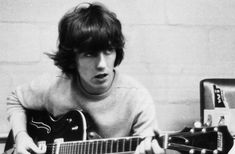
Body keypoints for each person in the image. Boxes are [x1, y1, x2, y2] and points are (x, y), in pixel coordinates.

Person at [6, 2, 165, 154]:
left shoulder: (137, 98)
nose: (102, 64)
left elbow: (149, 143)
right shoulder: (56, 84)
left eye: (109, 50)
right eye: (90, 54)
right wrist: (21, 135)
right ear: (73, 58)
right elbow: (15, 99)